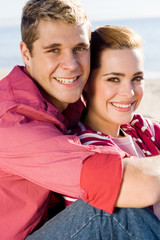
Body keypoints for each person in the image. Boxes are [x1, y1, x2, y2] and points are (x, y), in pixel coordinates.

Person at [0, 0, 160, 238]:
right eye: (53, 50)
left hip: (51, 224)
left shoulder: (68, 102)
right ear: (26, 53)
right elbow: (132, 185)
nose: (71, 65)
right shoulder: (13, 122)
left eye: (79, 48)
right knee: (113, 210)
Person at [64, 25, 160, 217]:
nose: (129, 93)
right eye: (114, 79)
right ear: (86, 83)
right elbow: (142, 189)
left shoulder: (141, 128)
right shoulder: (84, 145)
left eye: (137, 78)